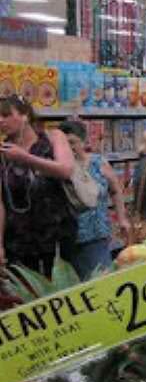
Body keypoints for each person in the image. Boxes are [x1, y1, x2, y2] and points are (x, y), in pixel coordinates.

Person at [0, 96, 76, 275]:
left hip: (56, 234)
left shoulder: (53, 137)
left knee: (59, 290)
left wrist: (25, 158)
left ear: (25, 115)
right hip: (18, 239)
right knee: (25, 292)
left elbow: (66, 170)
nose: (1, 120)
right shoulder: (3, 151)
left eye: (6, 114)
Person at [60, 121, 131, 279]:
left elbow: (116, 190)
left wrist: (122, 218)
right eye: (64, 143)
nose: (69, 147)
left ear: (84, 142)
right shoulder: (59, 168)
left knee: (100, 281)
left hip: (96, 236)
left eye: (73, 142)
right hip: (67, 239)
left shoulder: (98, 162)